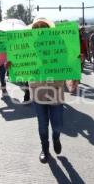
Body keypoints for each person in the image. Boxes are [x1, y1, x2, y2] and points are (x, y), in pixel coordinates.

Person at [29, 19, 65, 163]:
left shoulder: (59, 44)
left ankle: (56, 137)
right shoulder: (29, 47)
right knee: (42, 125)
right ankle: (45, 149)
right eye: (36, 28)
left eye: (42, 28)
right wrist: (12, 65)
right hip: (38, 92)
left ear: (48, 29)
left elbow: (68, 63)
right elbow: (21, 65)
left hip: (55, 90)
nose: (39, 30)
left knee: (57, 125)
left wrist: (77, 60)